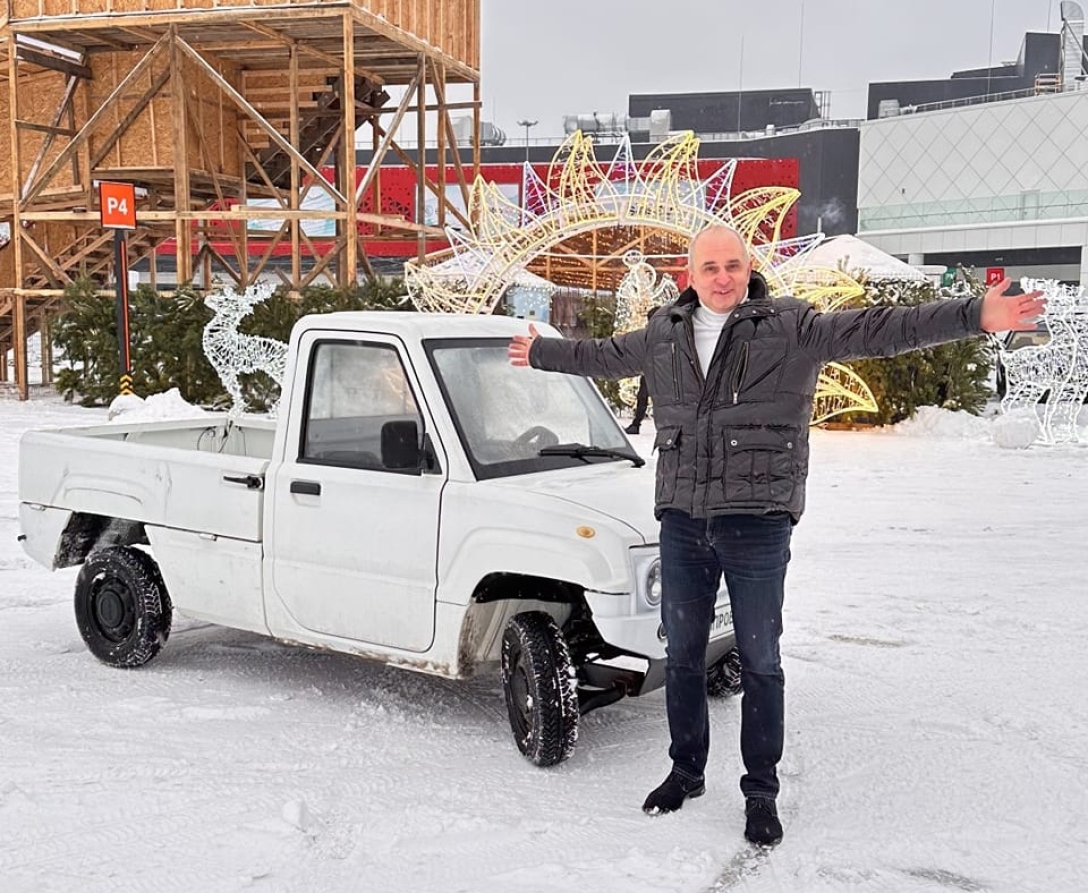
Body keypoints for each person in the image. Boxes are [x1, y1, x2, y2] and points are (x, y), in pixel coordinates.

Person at [508, 225, 1045, 847]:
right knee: (682, 655)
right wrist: (542, 353)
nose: (722, 277)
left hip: (756, 522)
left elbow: (883, 329)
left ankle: (760, 791)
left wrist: (977, 313)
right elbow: (602, 355)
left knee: (761, 660)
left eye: (733, 265)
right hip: (683, 519)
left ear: (749, 266)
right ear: (690, 273)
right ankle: (686, 771)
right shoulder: (665, 332)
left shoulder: (790, 326)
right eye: (709, 267)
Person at [624, 306, 659, 435]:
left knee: (646, 397)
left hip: (655, 370)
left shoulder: (657, 332)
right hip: (652, 369)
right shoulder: (652, 332)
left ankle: (637, 424)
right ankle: (636, 424)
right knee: (643, 396)